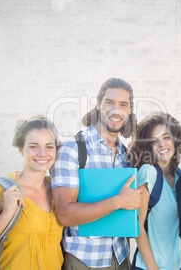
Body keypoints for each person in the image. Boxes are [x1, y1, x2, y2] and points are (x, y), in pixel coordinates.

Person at [51, 78, 142, 270]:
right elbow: (65, 214)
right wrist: (118, 201)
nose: (116, 110)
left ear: (129, 111)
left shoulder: (125, 155)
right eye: (109, 102)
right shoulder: (73, 149)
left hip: (121, 256)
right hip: (85, 260)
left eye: (123, 105)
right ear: (98, 105)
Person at [0, 115, 63, 269]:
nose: (42, 153)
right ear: (21, 150)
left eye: (49, 146)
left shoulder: (59, 188)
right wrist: (6, 215)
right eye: (33, 146)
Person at [128, 111, 181, 270]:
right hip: (149, 267)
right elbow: (137, 226)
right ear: (148, 147)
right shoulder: (149, 172)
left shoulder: (180, 176)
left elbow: (180, 226)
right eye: (155, 141)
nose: (162, 144)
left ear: (175, 140)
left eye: (166, 137)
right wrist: (153, 267)